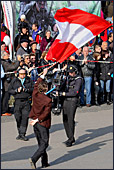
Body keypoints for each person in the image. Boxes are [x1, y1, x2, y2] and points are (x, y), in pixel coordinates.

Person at [29, 68, 51, 169]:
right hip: (41, 123)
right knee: (45, 143)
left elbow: (36, 85)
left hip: (34, 122)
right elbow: (45, 114)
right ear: (46, 89)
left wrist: (43, 75)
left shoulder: (35, 94)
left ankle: (44, 162)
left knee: (40, 144)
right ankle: (34, 159)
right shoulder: (47, 100)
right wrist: (38, 120)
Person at [56, 65, 82, 147]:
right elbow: (62, 87)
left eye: (72, 72)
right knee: (65, 119)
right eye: (69, 72)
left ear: (75, 72)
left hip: (72, 100)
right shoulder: (67, 78)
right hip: (65, 100)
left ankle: (70, 138)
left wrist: (63, 93)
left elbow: (75, 92)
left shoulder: (79, 79)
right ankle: (70, 136)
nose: (71, 74)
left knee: (70, 119)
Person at [8, 67, 34, 141]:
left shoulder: (29, 80)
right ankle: (20, 132)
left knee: (25, 118)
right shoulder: (14, 81)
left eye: (24, 74)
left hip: (26, 101)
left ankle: (23, 134)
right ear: (18, 74)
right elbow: (10, 90)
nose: (23, 75)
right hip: (17, 101)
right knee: (18, 117)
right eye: (21, 74)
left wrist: (27, 89)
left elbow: (33, 88)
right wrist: (16, 90)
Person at [1, 51, 21, 116]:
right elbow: (13, 67)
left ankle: (7, 109)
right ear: (3, 56)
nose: (8, 55)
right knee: (6, 97)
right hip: (6, 82)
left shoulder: (8, 61)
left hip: (10, 81)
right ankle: (4, 110)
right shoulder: (4, 62)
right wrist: (18, 61)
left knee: (9, 96)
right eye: (7, 54)